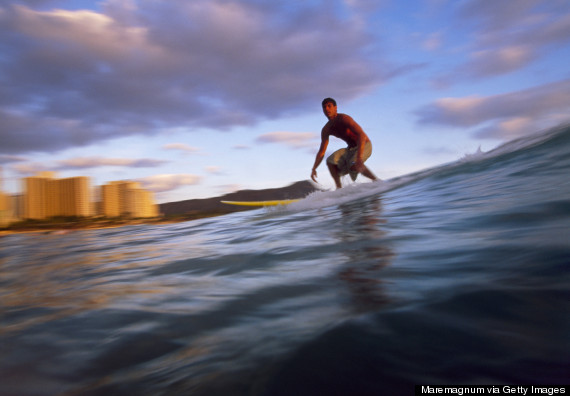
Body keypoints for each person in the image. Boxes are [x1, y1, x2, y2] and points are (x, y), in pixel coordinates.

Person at [311, 98, 378, 188]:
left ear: (335, 108)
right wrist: (314, 168)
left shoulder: (344, 118)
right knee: (330, 161)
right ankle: (339, 188)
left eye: (329, 106)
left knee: (354, 164)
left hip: (364, 144)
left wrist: (359, 157)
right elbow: (322, 152)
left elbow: (361, 135)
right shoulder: (326, 129)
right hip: (350, 149)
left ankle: (376, 181)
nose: (327, 109)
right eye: (324, 107)